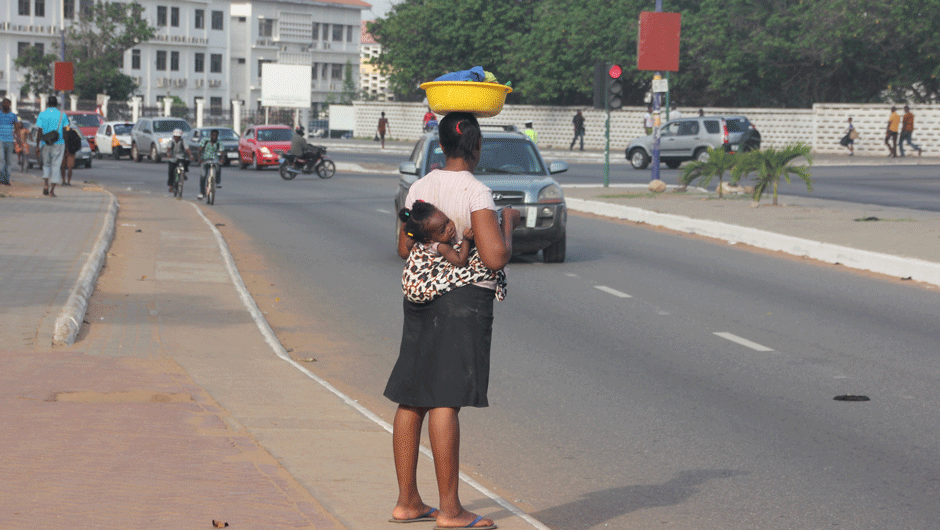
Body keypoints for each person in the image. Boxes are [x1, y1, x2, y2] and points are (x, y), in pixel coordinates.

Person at [386, 111, 520, 529]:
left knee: (412, 396)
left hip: (419, 297)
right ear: (477, 147)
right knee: (445, 399)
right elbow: (495, 257)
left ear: (441, 146)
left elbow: (404, 248)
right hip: (462, 301)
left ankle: (407, 502)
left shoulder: (420, 188)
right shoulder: (476, 191)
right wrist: (507, 224)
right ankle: (450, 510)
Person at [35, 95, 69, 197]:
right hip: (59, 143)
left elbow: (39, 131)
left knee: (46, 165)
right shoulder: (63, 115)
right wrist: (66, 145)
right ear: (57, 104)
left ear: (47, 103)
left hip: (45, 143)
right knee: (56, 166)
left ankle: (46, 184)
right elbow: (66, 131)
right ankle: (52, 191)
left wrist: (37, 146)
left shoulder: (42, 114)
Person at [197, 129, 222, 198]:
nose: (214, 137)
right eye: (213, 135)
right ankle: (202, 192)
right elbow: (199, 150)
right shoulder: (205, 141)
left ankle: (217, 182)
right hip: (205, 159)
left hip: (214, 159)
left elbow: (222, 152)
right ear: (211, 135)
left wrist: (222, 159)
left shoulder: (219, 143)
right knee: (203, 175)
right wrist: (199, 159)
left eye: (216, 136)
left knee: (218, 167)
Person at [0, 97, 18, 186]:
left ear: (10, 105)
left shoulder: (13, 116)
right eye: (4, 103)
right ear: (2, 104)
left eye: (7, 103)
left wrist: (18, 140)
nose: (6, 105)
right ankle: (1, 178)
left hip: (10, 140)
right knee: (1, 159)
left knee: (8, 161)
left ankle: (6, 180)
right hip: (1, 140)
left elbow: (17, 128)